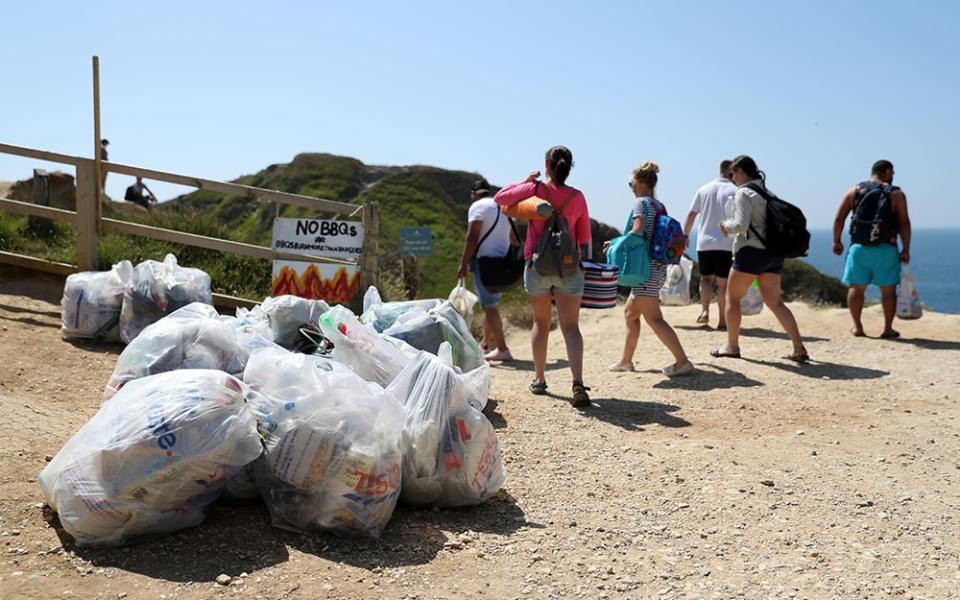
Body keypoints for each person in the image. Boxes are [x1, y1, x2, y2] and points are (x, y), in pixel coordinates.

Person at [494, 146, 592, 406]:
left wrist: (525, 182)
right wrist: (583, 263)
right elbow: (583, 238)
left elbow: (500, 199)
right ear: (569, 168)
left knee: (541, 323)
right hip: (569, 266)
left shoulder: (536, 190)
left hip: (537, 266)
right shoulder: (578, 197)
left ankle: (539, 379)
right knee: (571, 327)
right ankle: (578, 383)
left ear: (547, 165)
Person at [713, 155, 808, 361]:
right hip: (773, 254)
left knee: (732, 298)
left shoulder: (744, 193)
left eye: (733, 174)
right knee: (775, 302)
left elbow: (740, 226)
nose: (732, 179)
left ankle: (732, 346)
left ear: (740, 172)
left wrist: (724, 225)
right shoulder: (767, 192)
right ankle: (798, 347)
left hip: (750, 253)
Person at [607, 162, 693, 377]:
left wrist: (615, 243)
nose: (631, 187)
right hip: (656, 267)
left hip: (644, 269)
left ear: (641, 182)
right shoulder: (657, 205)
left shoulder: (640, 204)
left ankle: (682, 362)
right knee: (630, 313)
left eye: (631, 182)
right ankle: (625, 361)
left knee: (654, 318)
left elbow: (637, 231)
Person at [832, 160, 911, 338]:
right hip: (886, 248)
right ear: (887, 171)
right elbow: (904, 223)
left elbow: (839, 218)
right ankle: (887, 328)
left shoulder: (854, 191)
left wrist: (836, 241)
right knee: (888, 290)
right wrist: (905, 248)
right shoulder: (896, 194)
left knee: (856, 288)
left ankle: (857, 327)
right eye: (892, 173)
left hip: (859, 247)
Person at [457, 178, 514, 361]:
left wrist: (463, 263)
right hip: (504, 263)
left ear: (474, 193)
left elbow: (472, 237)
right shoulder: (504, 206)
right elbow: (512, 236)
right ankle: (485, 344)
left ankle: (502, 349)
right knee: (492, 305)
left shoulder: (478, 207)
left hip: (486, 263)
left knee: (489, 307)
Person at [683, 160, 736, 329]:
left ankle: (705, 311)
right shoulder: (735, 190)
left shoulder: (704, 189)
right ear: (732, 173)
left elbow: (691, 214)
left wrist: (684, 235)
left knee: (706, 279)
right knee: (723, 284)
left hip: (704, 242)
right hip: (725, 242)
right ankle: (722, 320)